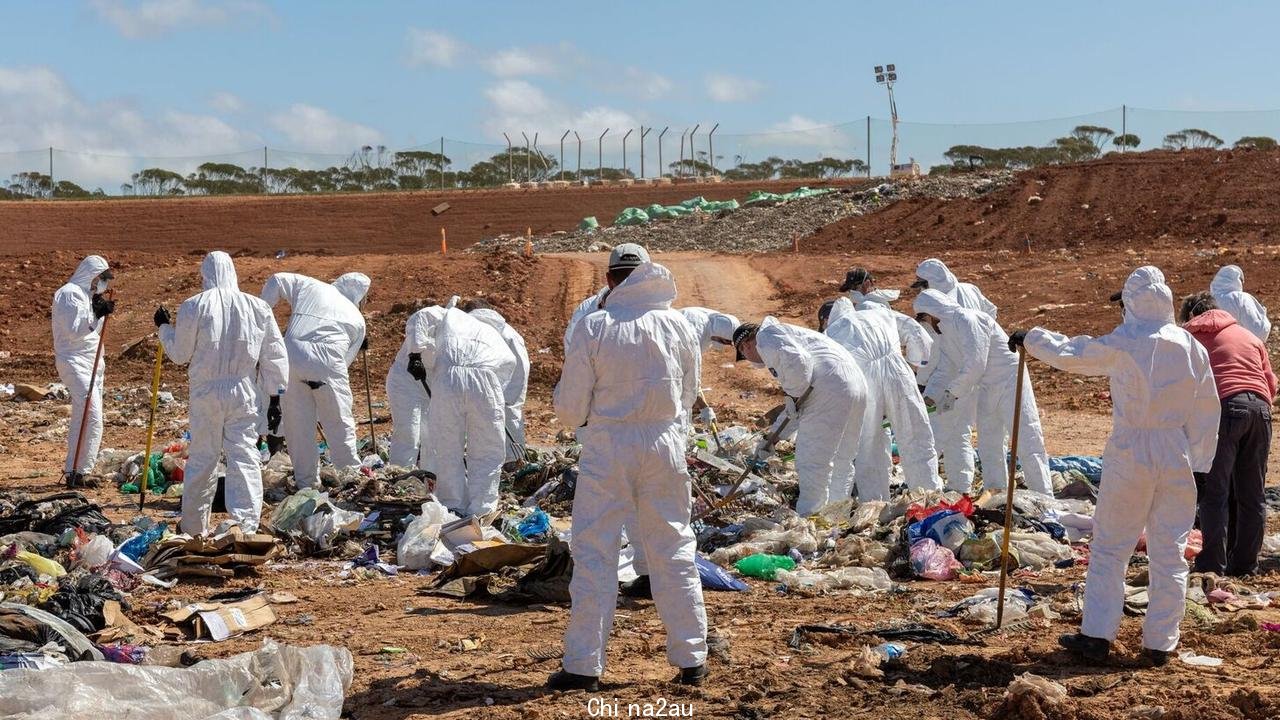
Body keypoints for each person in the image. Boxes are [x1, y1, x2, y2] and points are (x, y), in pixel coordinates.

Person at [1009, 266, 1220, 664]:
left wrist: (1031, 338)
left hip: (1132, 449)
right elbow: (1208, 410)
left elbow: (1074, 353)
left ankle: (1098, 636)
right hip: (1176, 451)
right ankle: (1160, 643)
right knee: (1170, 552)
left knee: (1110, 546)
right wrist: (1201, 466)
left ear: (1132, 303)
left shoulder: (1126, 341)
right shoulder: (1191, 346)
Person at [549, 260, 707, 691]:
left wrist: (565, 403)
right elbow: (688, 394)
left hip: (608, 446)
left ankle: (583, 666)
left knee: (596, 552)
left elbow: (570, 410)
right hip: (666, 444)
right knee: (673, 546)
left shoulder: (594, 326)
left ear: (609, 280)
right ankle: (692, 658)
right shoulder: (679, 326)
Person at [155, 251, 289, 535]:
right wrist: (275, 396)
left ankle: (193, 528)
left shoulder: (194, 305)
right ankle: (245, 526)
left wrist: (164, 328)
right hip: (243, 390)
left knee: (204, 457)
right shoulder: (258, 307)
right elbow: (274, 355)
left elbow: (179, 354)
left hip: (206, 392)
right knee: (244, 456)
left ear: (205, 275)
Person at [564, 243, 654, 598]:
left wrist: (578, 417)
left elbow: (575, 378)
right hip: (651, 430)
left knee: (606, 510)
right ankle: (648, 577)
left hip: (608, 429)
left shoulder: (591, 319)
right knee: (654, 513)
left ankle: (602, 586)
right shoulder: (666, 318)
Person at [913, 289, 1052, 495]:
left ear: (932, 312)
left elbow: (976, 363)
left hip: (1010, 380)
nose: (927, 324)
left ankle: (1043, 495)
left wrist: (952, 393)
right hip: (987, 387)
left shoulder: (969, 319)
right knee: (989, 443)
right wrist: (930, 398)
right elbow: (945, 368)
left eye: (925, 318)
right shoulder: (946, 334)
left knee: (1026, 438)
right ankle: (997, 493)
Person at [1181, 292, 1276, 576]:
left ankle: (1212, 564)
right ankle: (1246, 565)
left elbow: (1183, 385)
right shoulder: (1248, 336)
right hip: (1260, 409)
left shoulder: (1190, 337)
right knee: (1252, 492)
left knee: (1215, 492)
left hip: (1222, 408)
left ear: (1190, 316)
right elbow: (1271, 384)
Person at [733, 317, 868, 515]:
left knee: (811, 461)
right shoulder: (789, 335)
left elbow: (799, 365)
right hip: (854, 385)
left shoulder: (765, 337)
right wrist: (773, 439)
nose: (749, 360)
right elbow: (795, 407)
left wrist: (794, 394)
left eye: (743, 355)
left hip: (827, 389)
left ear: (745, 345)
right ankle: (835, 516)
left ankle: (809, 517)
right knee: (842, 457)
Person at [822, 297, 940, 500]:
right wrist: (914, 366)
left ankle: (875, 503)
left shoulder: (830, 334)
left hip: (865, 379)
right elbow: (918, 334)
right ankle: (928, 498)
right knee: (916, 436)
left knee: (868, 445)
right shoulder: (879, 313)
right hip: (897, 370)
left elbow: (831, 377)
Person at [261, 272, 369, 488]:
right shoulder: (358, 319)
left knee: (297, 426)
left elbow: (276, 280)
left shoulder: (311, 285)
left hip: (290, 354)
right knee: (338, 423)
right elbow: (345, 362)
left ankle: (307, 484)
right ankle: (352, 481)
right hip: (327, 361)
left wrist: (260, 317)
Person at [410, 307, 515, 517]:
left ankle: (453, 504)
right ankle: (482, 509)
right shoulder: (495, 337)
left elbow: (423, 315)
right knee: (487, 450)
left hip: (448, 378)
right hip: (486, 381)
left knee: (447, 445)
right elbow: (506, 370)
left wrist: (415, 352)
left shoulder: (453, 316)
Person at [910, 259, 996, 493]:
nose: (920, 290)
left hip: (960, 380)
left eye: (922, 285)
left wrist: (926, 386)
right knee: (960, 433)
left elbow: (937, 355)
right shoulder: (968, 290)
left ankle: (924, 487)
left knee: (935, 432)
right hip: (971, 377)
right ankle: (960, 488)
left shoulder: (941, 309)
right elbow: (992, 312)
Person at [52, 256, 114, 488]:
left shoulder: (86, 296)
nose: (104, 284)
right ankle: (79, 470)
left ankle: (76, 470)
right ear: (92, 274)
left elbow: (90, 331)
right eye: (102, 279)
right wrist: (96, 314)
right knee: (92, 414)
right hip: (74, 361)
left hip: (91, 363)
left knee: (84, 415)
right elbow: (74, 330)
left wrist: (98, 310)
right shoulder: (70, 293)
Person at [463, 299, 531, 462]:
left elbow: (520, 368)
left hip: (501, 396)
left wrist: (507, 399)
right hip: (493, 395)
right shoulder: (506, 333)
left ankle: (511, 465)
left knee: (502, 433)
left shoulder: (504, 333)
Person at [384, 305, 446, 468]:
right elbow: (419, 319)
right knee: (409, 432)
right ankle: (401, 474)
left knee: (430, 434)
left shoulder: (462, 333)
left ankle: (429, 475)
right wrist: (415, 354)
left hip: (429, 384)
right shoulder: (435, 315)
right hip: (406, 380)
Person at [840, 267, 932, 370]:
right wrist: (915, 362)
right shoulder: (873, 306)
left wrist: (914, 363)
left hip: (873, 370)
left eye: (853, 288)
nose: (851, 293)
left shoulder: (864, 308)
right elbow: (915, 331)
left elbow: (915, 330)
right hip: (889, 368)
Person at [679, 306, 741, 427]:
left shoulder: (703, 323)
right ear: (719, 335)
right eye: (726, 342)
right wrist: (704, 408)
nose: (727, 345)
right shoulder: (696, 333)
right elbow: (689, 379)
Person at [1209, 265, 1271, 342]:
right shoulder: (1240, 298)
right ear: (1238, 280)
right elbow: (1259, 331)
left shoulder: (1208, 299)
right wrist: (1263, 316)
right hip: (1241, 348)